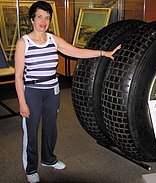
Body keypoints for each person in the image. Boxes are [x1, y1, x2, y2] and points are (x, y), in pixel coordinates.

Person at [14, 1, 121, 183]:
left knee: (50, 128)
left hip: (52, 90)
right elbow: (18, 77)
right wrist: (22, 103)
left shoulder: (52, 39)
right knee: (31, 131)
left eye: (47, 18)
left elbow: (77, 52)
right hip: (32, 91)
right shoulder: (23, 43)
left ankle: (48, 159)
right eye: (39, 17)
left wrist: (103, 53)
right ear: (32, 19)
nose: (43, 21)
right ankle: (31, 168)